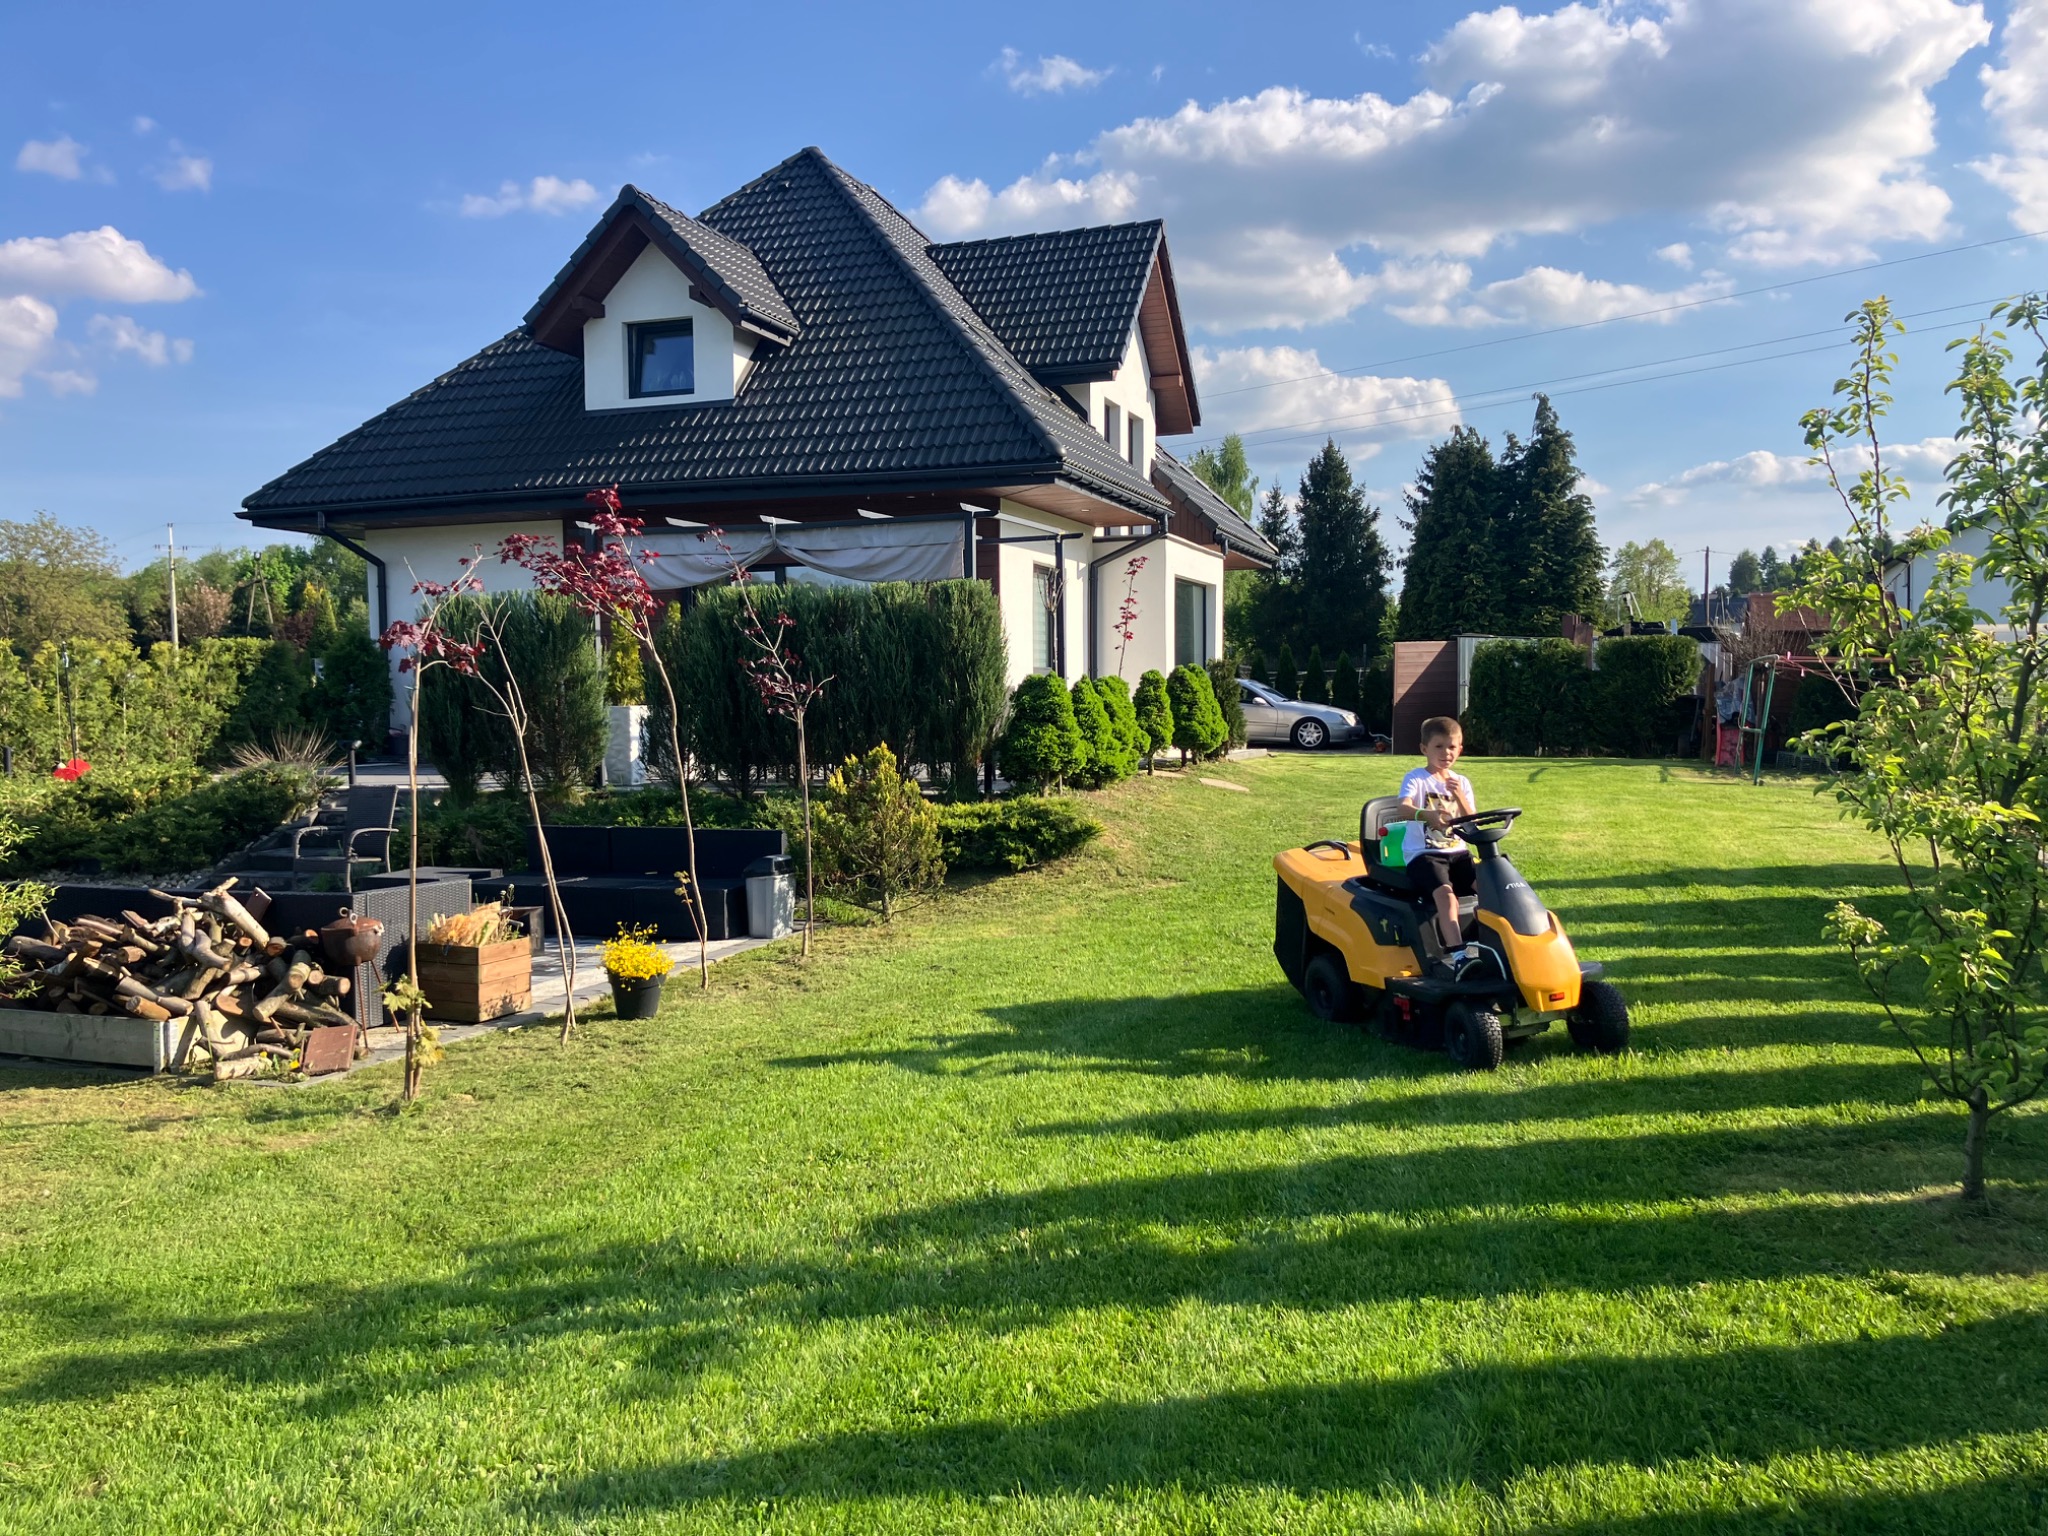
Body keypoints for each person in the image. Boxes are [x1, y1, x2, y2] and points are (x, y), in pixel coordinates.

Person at [1395, 715, 1478, 973]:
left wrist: (1459, 796)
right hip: (1424, 854)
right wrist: (1426, 815)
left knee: (1490, 885)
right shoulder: (1417, 778)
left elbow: (1471, 821)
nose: (1446, 753)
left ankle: (1495, 941)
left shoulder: (1461, 782)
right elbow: (1403, 808)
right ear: (1424, 749)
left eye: (1452, 747)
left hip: (1457, 851)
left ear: (1460, 749)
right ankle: (1458, 952)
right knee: (1446, 894)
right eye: (1439, 746)